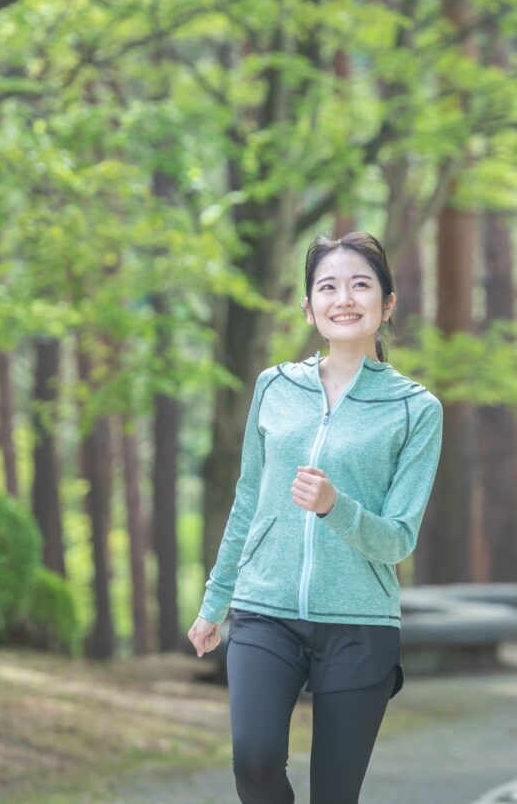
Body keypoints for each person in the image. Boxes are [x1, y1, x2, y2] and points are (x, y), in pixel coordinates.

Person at [187, 231, 444, 803]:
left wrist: (336, 507)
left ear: (388, 303)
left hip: (359, 622)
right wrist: (215, 601)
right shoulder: (274, 388)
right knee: (253, 765)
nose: (344, 298)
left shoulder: (415, 410)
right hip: (264, 610)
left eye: (360, 285)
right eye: (327, 287)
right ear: (308, 306)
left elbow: (398, 540)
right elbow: (248, 498)